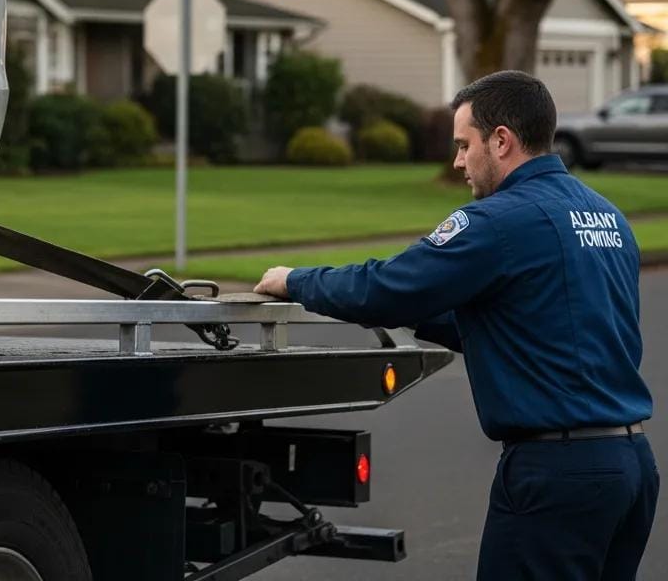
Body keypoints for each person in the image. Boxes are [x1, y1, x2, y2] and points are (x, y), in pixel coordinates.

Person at [255, 70, 658, 580]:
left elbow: (389, 285)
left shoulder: (499, 220)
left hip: (557, 474)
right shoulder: (607, 217)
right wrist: (412, 310)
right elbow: (529, 325)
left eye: (464, 145)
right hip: (630, 466)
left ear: (502, 141)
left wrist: (297, 281)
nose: (458, 162)